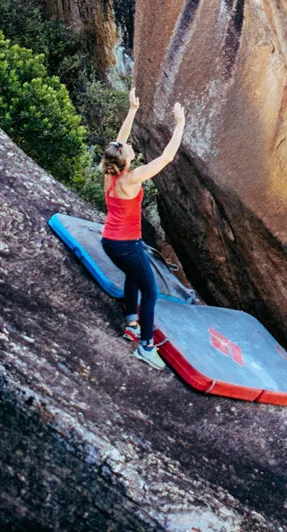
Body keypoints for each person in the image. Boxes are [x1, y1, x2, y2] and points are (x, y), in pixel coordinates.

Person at [99, 90, 186, 371]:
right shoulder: (132, 178)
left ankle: (131, 324)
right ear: (125, 161)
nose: (129, 147)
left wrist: (133, 109)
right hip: (126, 244)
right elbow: (166, 158)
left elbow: (117, 142)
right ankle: (146, 346)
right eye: (127, 151)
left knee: (133, 276)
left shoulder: (109, 173)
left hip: (110, 242)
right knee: (151, 292)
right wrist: (180, 125)